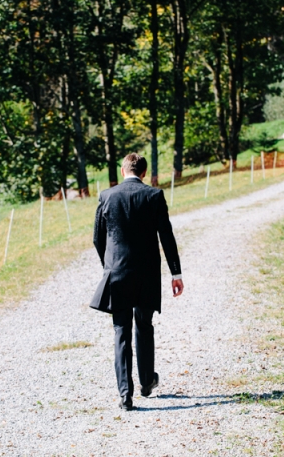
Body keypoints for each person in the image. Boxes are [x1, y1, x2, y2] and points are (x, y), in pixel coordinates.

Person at [90, 152, 184, 411]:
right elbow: (167, 237)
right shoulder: (154, 196)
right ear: (143, 173)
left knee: (121, 331)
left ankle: (125, 395)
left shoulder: (107, 196)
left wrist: (107, 267)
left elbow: (98, 238)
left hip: (116, 273)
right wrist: (176, 273)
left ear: (123, 171)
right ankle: (146, 382)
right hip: (146, 274)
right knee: (144, 325)